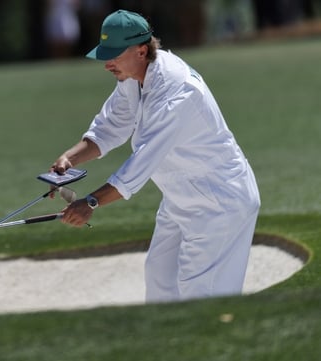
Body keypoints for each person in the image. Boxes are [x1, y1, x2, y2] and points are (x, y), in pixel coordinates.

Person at [50, 10, 260, 303]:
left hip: (218, 203)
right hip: (179, 197)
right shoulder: (132, 76)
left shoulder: (177, 91)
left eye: (114, 54)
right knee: (160, 282)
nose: (106, 63)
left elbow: (142, 164)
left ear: (141, 50)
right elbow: (110, 127)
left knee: (202, 300)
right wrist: (68, 159)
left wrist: (92, 202)